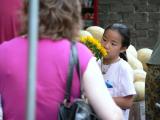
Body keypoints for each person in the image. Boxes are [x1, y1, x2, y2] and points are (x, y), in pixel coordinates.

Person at [0, 0, 123, 120]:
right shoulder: (79, 54)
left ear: (27, 12)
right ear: (73, 16)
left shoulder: (4, 51)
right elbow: (112, 115)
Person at [99, 23, 136, 120]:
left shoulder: (124, 68)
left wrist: (99, 100)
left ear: (123, 48)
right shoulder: (95, 63)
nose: (106, 45)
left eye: (113, 44)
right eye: (104, 39)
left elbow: (128, 102)